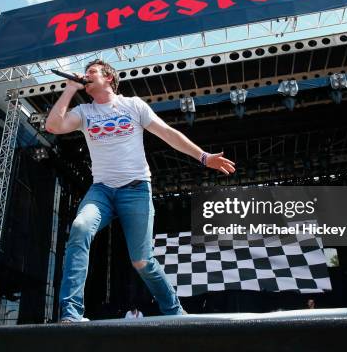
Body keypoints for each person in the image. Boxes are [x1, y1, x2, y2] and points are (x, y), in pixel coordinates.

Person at [46, 59, 235, 323]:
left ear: (109, 78)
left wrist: (204, 157)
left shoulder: (133, 105)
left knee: (141, 261)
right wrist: (69, 89)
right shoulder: (84, 112)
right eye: (85, 73)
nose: (86, 76)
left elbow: (168, 134)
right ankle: (71, 313)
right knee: (79, 228)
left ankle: (175, 312)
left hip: (136, 190)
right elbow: (53, 126)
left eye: (92, 72)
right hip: (101, 191)